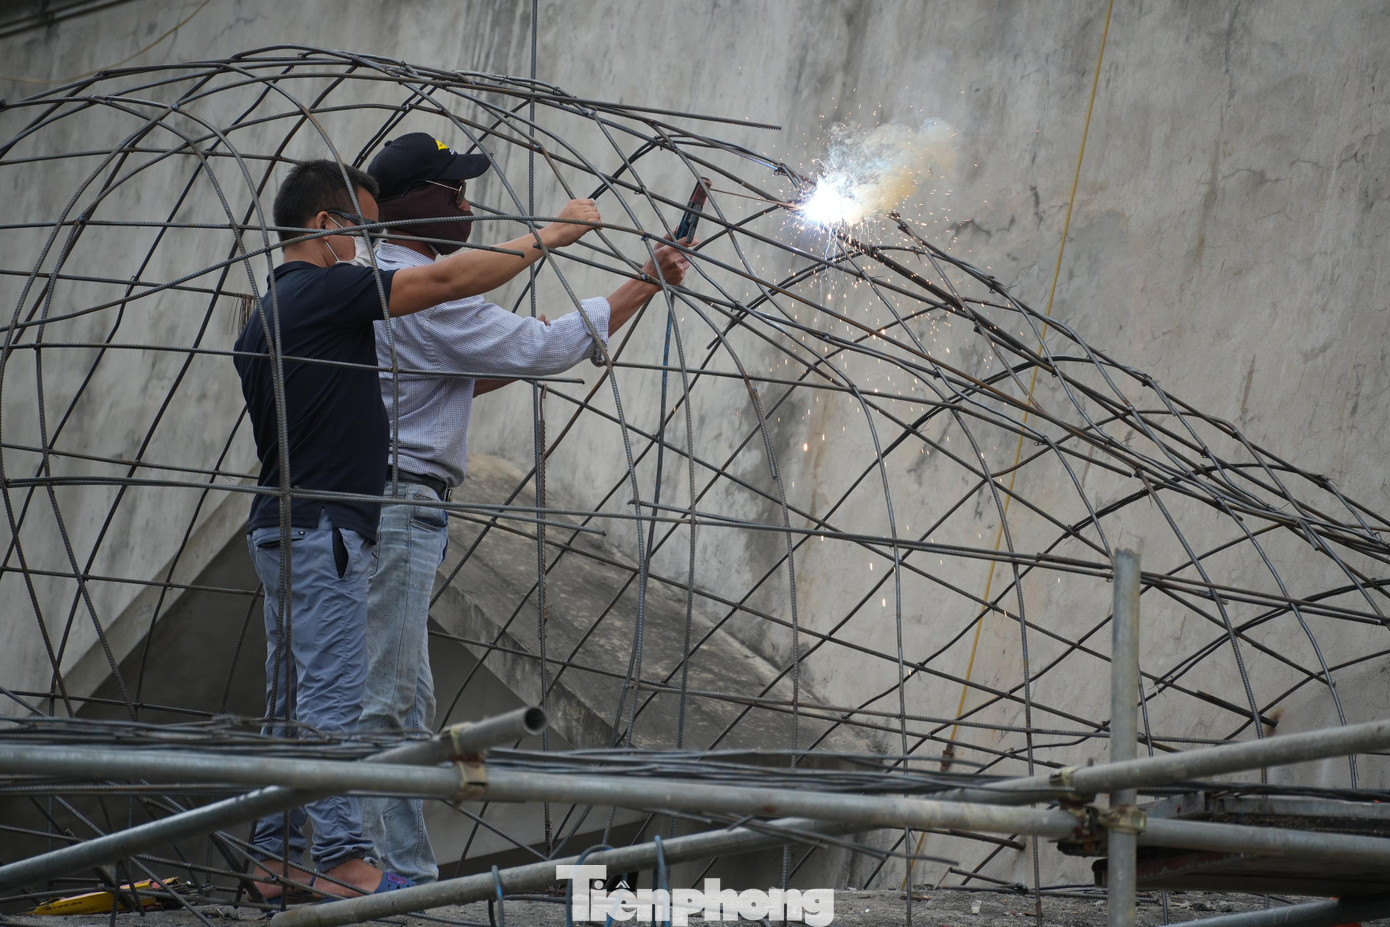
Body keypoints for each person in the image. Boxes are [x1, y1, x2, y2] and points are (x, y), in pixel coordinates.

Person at [233, 156, 599, 898]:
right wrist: (551, 236)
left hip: (277, 523)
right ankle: (340, 857)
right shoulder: (327, 290)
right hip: (328, 525)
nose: (371, 247)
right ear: (325, 225)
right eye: (362, 231)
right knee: (338, 701)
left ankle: (273, 857)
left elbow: (444, 357)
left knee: (289, 702)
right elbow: (441, 282)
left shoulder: (267, 312)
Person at [358, 132, 691, 883]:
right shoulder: (419, 286)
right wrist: (644, 281)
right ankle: (396, 875)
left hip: (391, 503)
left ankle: (377, 862)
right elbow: (542, 346)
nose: (467, 206)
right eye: (454, 194)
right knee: (391, 700)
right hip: (399, 503)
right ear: (416, 204)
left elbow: (461, 375)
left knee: (399, 689)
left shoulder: (384, 281)